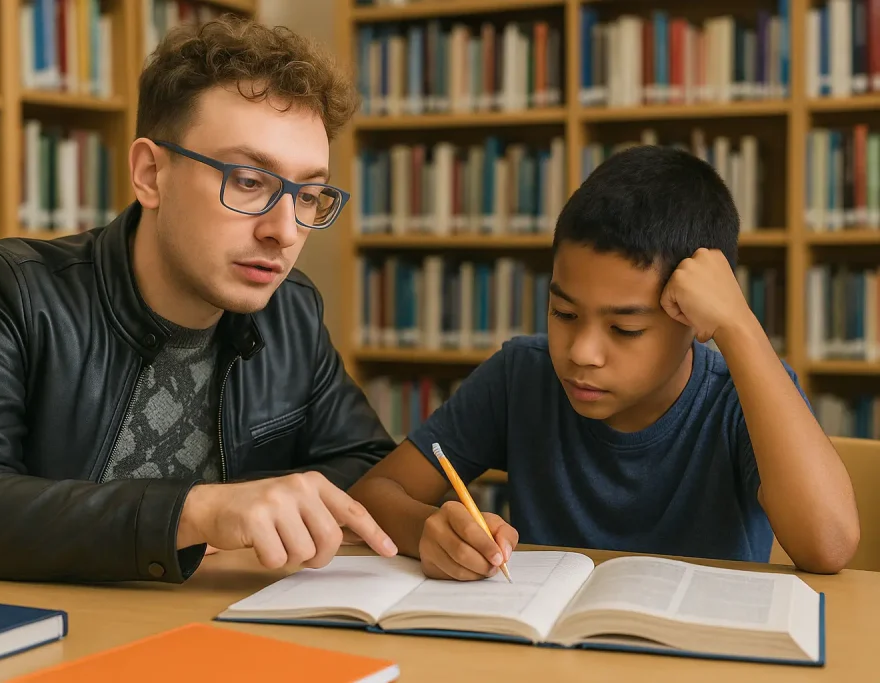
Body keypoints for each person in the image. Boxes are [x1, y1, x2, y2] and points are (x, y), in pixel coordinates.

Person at [0, 16, 399, 589]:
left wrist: (264, 508)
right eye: (248, 181)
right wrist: (197, 512)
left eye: (309, 194)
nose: (285, 230)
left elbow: (368, 467)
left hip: (178, 631)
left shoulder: (289, 309)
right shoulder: (6, 291)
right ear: (150, 174)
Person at [349, 145, 861, 581]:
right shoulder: (521, 377)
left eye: (625, 329)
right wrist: (428, 531)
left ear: (693, 317)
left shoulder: (743, 394)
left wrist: (739, 327)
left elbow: (829, 546)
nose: (581, 353)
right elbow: (374, 493)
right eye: (563, 312)